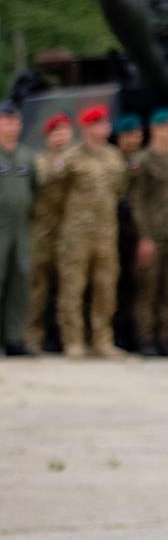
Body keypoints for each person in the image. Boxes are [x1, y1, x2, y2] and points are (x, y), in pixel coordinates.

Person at [48, 103, 129, 358]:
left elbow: (119, 190)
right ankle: (73, 341)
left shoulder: (114, 156)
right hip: (76, 234)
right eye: (98, 124)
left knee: (105, 288)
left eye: (105, 123)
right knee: (73, 288)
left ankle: (102, 340)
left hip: (105, 233)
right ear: (86, 128)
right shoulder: (71, 158)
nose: (104, 128)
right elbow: (54, 195)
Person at [127, 109, 168, 356]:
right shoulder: (143, 161)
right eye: (164, 127)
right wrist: (144, 236)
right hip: (152, 234)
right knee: (148, 289)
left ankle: (164, 337)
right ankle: (145, 338)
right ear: (154, 129)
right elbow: (137, 202)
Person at [24, 112, 75, 355]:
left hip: (71, 233)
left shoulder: (79, 160)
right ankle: (32, 338)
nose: (60, 137)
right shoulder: (39, 162)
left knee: (68, 290)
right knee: (38, 288)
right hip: (43, 232)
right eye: (56, 133)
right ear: (47, 137)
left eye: (64, 131)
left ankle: (66, 339)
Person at [111, 115, 145, 351]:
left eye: (137, 134)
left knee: (134, 285)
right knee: (113, 284)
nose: (134, 139)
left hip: (137, 230)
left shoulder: (143, 161)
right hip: (113, 231)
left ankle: (130, 331)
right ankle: (114, 332)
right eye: (129, 134)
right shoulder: (112, 159)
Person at [0, 100, 31, 355]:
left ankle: (14, 338)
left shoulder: (26, 156)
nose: (12, 127)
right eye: (6, 121)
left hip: (20, 229)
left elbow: (36, 189)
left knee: (19, 284)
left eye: (16, 122)